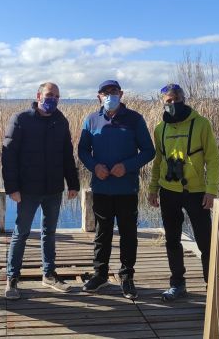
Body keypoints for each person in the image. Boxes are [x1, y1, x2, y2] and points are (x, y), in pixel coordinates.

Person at [2, 82, 80, 300]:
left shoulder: (60, 121)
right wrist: (12, 188)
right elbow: (8, 156)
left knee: (49, 232)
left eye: (56, 96)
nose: (52, 98)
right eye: (48, 95)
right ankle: (12, 277)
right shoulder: (21, 119)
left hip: (53, 189)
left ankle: (49, 273)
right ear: (38, 96)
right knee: (21, 233)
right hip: (27, 190)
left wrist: (73, 183)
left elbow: (67, 154)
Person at [78, 79, 154, 300]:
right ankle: (100, 275)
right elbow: (82, 150)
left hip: (127, 189)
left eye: (114, 91)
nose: (110, 95)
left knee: (129, 234)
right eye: (105, 92)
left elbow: (148, 151)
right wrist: (94, 166)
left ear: (121, 94)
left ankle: (127, 277)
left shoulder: (135, 119)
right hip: (101, 188)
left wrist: (127, 166)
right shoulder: (91, 119)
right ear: (98, 96)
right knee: (102, 233)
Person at [147, 83, 219, 301]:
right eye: (168, 101)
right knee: (172, 240)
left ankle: (211, 286)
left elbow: (213, 159)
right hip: (168, 191)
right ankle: (177, 284)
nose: (173, 104)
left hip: (196, 192)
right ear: (162, 103)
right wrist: (153, 188)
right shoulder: (160, 128)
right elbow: (158, 161)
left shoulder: (201, 123)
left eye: (176, 99)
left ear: (184, 99)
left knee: (205, 242)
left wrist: (211, 190)